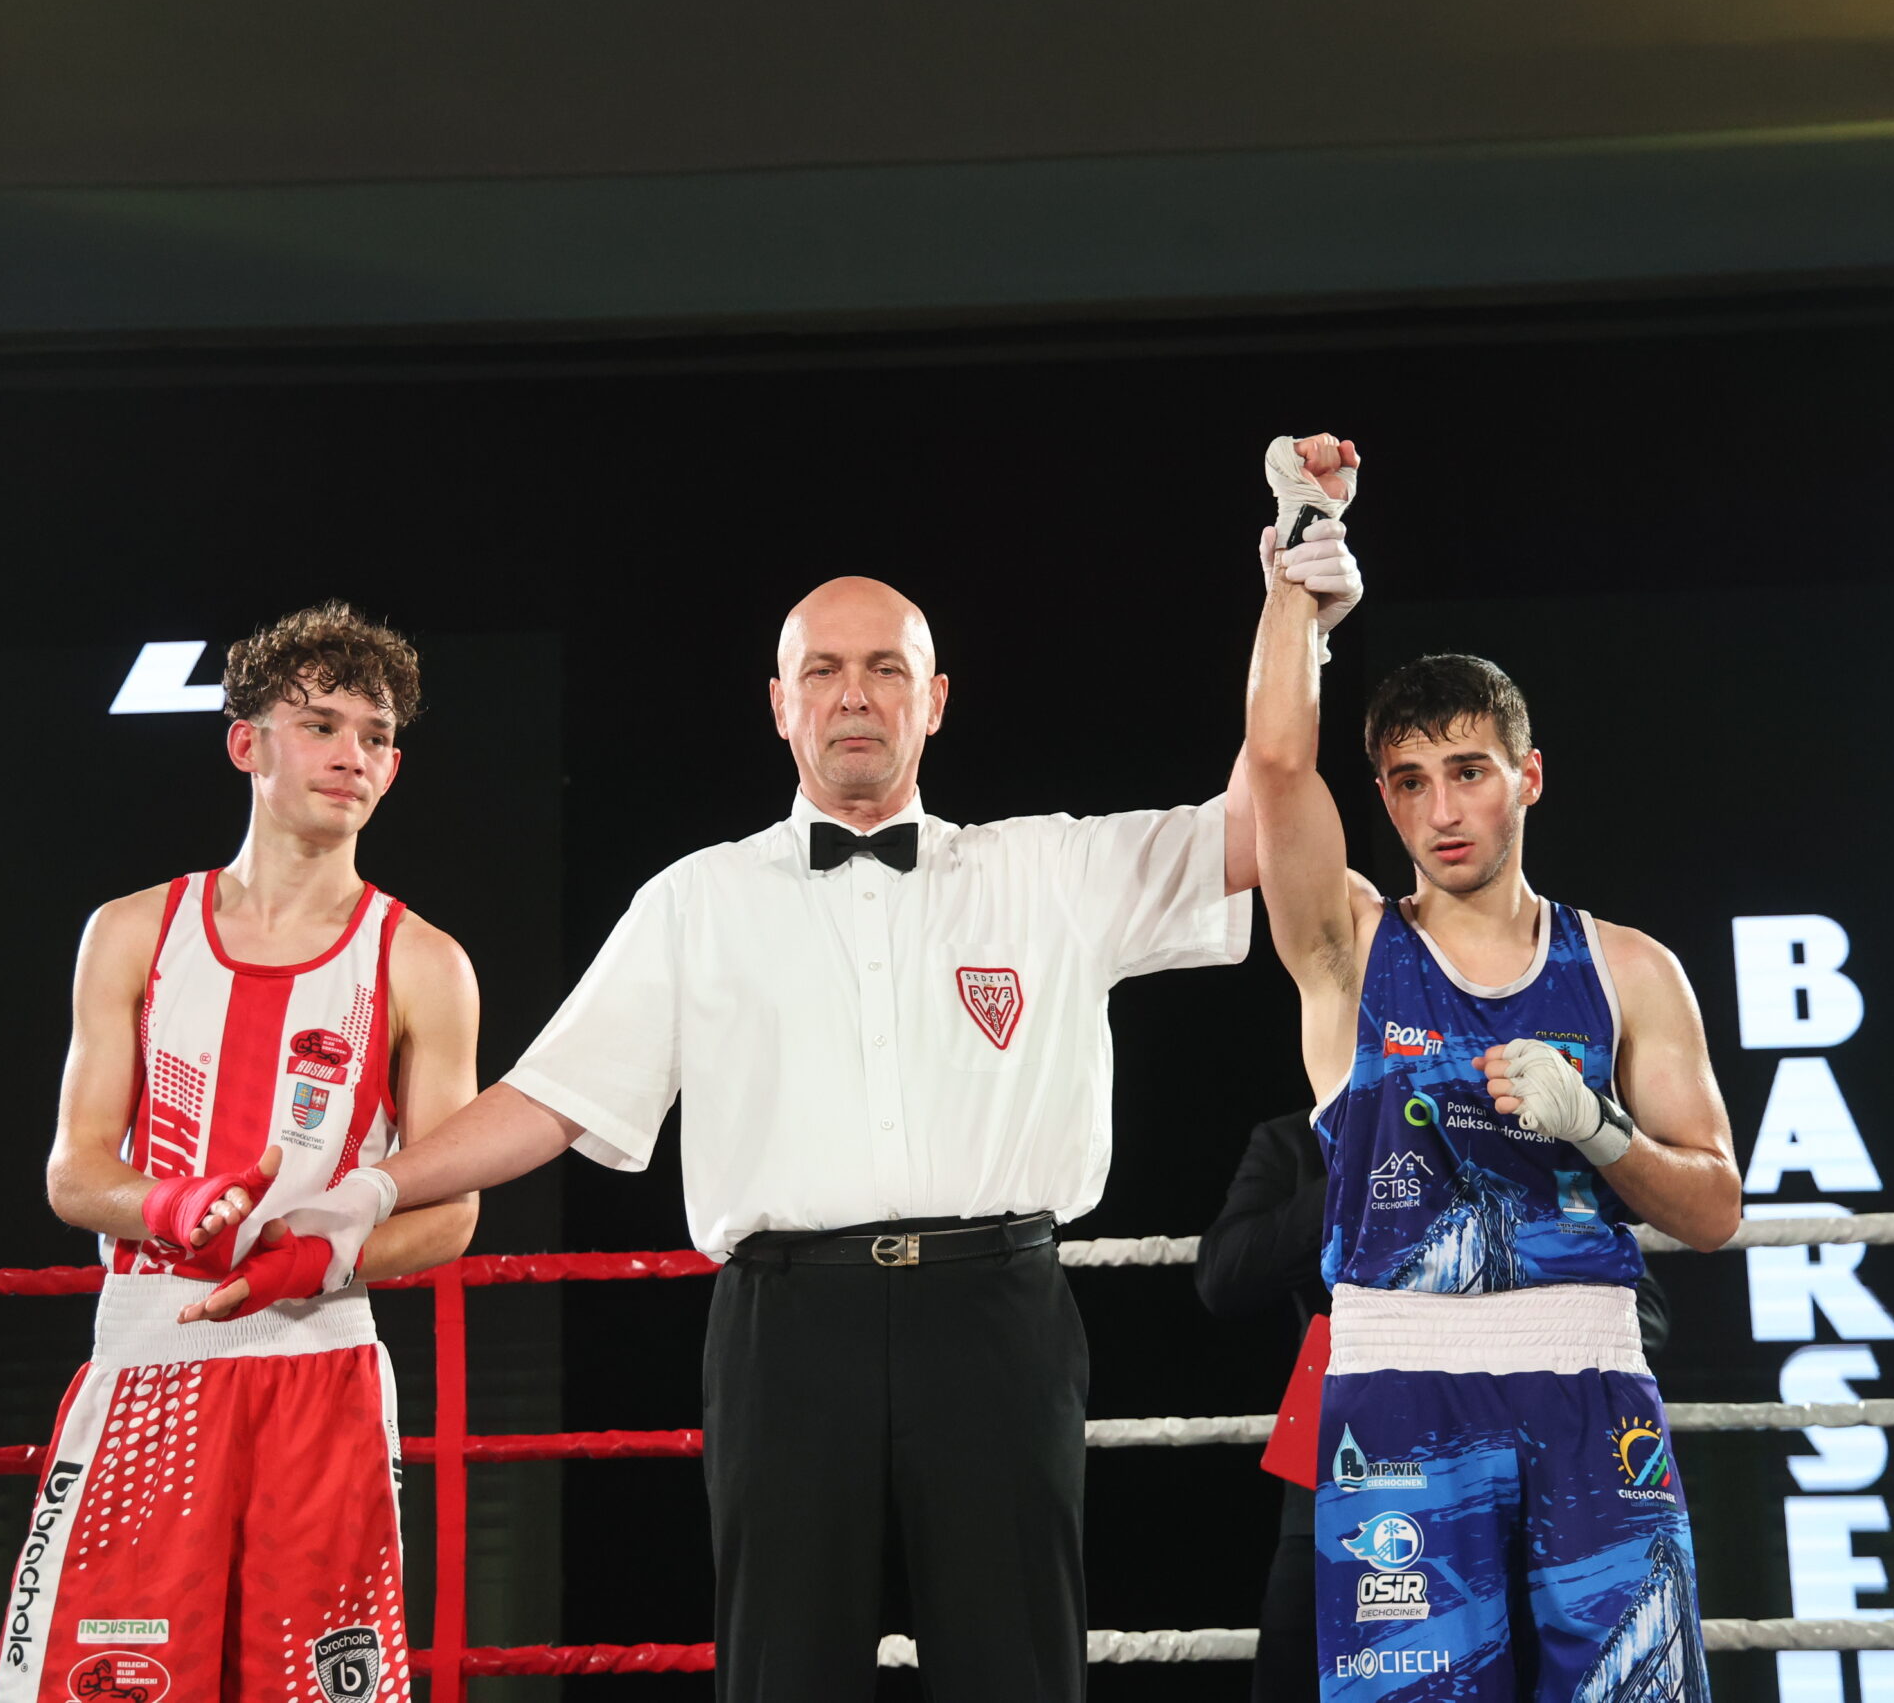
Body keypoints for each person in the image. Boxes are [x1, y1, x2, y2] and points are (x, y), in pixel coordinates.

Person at [196, 576, 1257, 1701]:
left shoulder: (1048, 869)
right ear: (780, 703)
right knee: (781, 1673)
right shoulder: (696, 900)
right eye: (822, 671)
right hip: (787, 1329)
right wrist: (369, 1191)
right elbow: (551, 1096)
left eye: (886, 669)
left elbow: (1261, 817)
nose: (855, 696)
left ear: (935, 700)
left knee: (1018, 1672)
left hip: (999, 1314)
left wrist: (1297, 608)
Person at [1244, 436, 1738, 1699]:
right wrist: (1296, 574)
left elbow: (1714, 1209)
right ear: (1385, 799)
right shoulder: (1348, 951)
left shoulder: (1629, 969)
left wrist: (1600, 1130)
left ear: (1526, 776)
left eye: (1466, 772)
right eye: (1408, 782)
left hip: (1591, 1381)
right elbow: (1278, 770)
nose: (1441, 810)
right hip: (1400, 1390)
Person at [0, 603, 481, 1703]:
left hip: (321, 1366)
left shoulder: (424, 963)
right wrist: (175, 1207)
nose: (352, 755)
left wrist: (317, 1256)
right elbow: (74, 1173)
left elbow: (453, 1211)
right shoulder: (133, 931)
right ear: (246, 743)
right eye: (321, 725)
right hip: (152, 1363)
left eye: (376, 735)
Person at [1195, 1111, 1674, 1703]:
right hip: (1346, 1471)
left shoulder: (1525, 1133)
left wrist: (1493, 1331)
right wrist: (1366, 1164)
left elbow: (1643, 1315)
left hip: (1524, 1472)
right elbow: (1223, 1275)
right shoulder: (1295, 1139)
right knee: (1300, 1669)